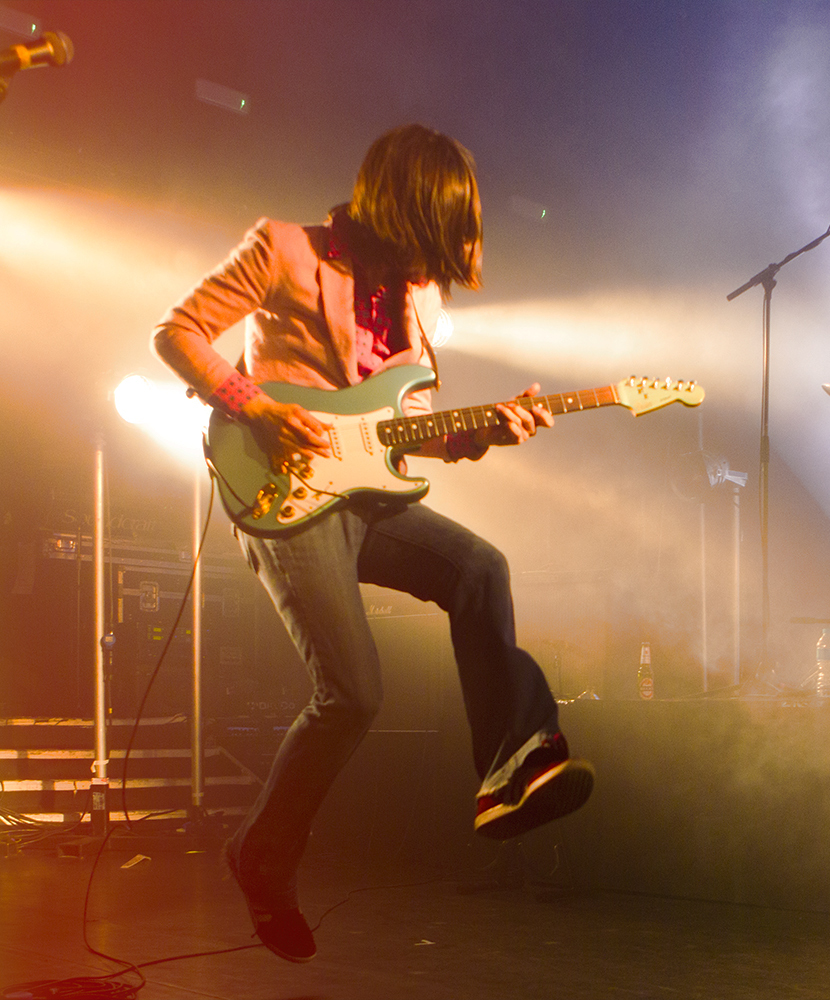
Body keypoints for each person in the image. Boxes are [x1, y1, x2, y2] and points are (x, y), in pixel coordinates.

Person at [152, 124, 594, 963]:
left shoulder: (420, 301)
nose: (440, 259)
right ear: (405, 207)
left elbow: (406, 434)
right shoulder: (284, 249)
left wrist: (483, 433)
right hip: (284, 493)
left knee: (480, 569)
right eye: (438, 230)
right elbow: (176, 334)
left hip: (365, 496)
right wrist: (254, 405)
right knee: (353, 694)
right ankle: (261, 855)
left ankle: (508, 769)